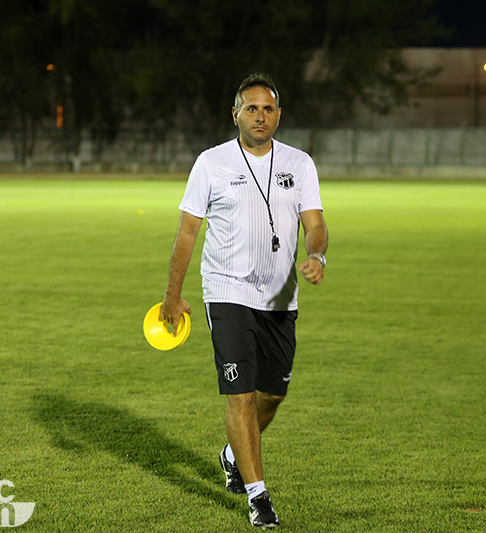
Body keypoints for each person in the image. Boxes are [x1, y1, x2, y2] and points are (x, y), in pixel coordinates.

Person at [159, 72, 328, 529]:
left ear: (279, 114)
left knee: (272, 394)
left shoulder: (300, 163)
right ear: (234, 113)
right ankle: (258, 496)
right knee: (241, 394)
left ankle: (233, 453)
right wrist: (172, 297)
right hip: (227, 289)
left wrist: (317, 254)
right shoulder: (211, 164)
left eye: (268, 108)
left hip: (279, 297)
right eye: (251, 108)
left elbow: (314, 222)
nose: (260, 116)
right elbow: (188, 232)